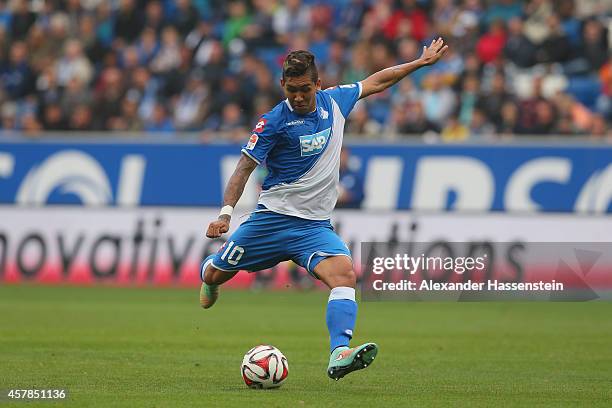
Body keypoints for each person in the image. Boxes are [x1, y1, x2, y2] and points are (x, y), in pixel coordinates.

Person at [200, 39, 448, 380]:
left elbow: (377, 80)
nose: (298, 97)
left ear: (318, 83)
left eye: (305, 89)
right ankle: (211, 276)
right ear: (282, 86)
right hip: (271, 222)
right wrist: (226, 214)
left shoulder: (336, 101)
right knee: (215, 273)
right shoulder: (272, 122)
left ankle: (339, 353)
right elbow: (244, 167)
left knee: (345, 275)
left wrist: (418, 64)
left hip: (314, 228)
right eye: (292, 91)